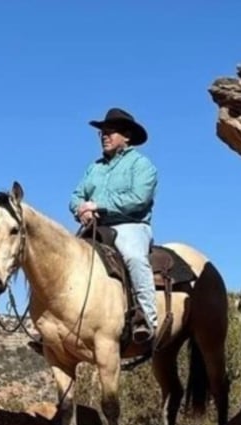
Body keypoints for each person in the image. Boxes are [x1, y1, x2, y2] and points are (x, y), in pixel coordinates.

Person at [69, 107, 159, 344]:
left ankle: (146, 319)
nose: (104, 137)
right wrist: (80, 209)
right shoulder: (94, 167)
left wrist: (98, 206)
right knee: (65, 259)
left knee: (134, 258)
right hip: (95, 228)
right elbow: (76, 195)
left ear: (127, 136)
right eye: (102, 133)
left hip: (130, 225)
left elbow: (139, 199)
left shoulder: (141, 165)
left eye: (110, 132)